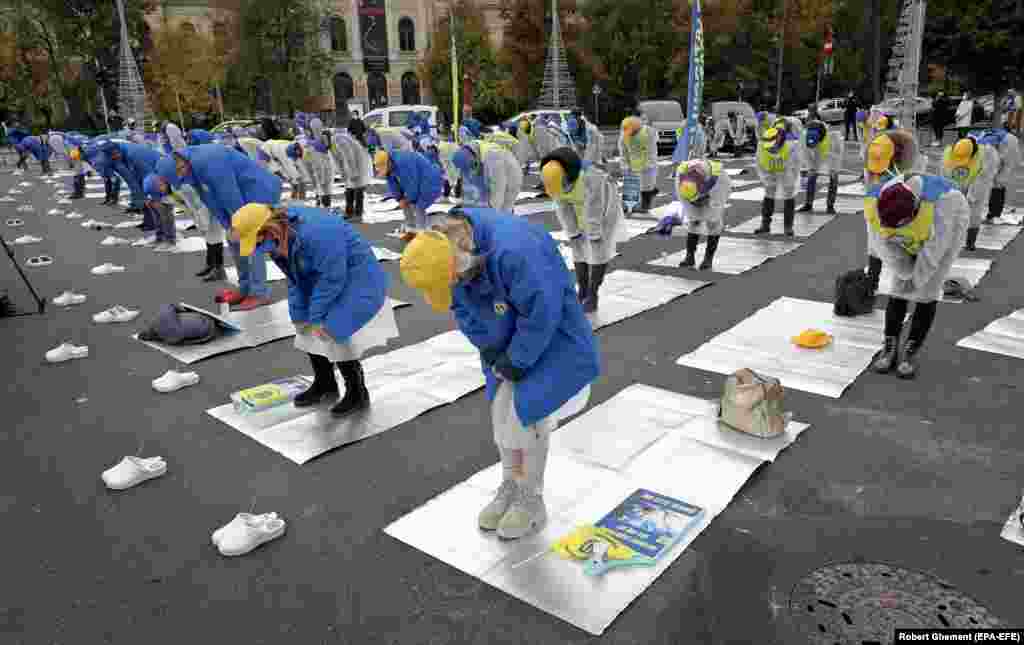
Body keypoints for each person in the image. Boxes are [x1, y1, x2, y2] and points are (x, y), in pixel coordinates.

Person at [400, 208, 600, 539]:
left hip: (550, 334)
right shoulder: (445, 255)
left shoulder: (515, 251)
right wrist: (490, 349)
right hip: (504, 332)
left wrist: (518, 359)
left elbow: (541, 312)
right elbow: (462, 309)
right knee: (501, 415)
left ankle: (531, 499)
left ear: (460, 261)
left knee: (529, 414)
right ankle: (510, 485)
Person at [232, 203, 398, 417]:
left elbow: (332, 277)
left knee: (333, 329)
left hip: (354, 275)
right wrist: (300, 314)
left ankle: (357, 392)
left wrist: (318, 315)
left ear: (268, 230)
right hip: (319, 276)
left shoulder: (317, 233)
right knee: (305, 328)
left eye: (257, 241)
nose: (258, 248)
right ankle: (325, 383)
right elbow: (295, 278)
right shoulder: (277, 237)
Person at [869, 175, 968, 379]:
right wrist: (905, 273)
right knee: (898, 289)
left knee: (927, 291)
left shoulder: (945, 203)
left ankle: (910, 351)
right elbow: (883, 245)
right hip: (905, 233)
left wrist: (916, 280)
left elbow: (934, 252)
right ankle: (890, 345)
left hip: (948, 229)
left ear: (914, 209)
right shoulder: (878, 203)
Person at [164, 144, 283, 310]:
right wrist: (228, 226)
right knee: (233, 239)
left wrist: (240, 226)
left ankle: (259, 293)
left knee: (252, 240)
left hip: (259, 190)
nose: (181, 174)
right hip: (243, 194)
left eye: (180, 170)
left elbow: (230, 195)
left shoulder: (209, 161)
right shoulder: (191, 167)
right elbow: (211, 200)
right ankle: (245, 287)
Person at [540, 147, 624, 312]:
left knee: (598, 250)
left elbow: (595, 208)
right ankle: (582, 291)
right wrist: (573, 232)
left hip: (604, 211)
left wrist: (594, 233)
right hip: (578, 208)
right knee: (578, 249)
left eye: (563, 184)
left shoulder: (593, 178)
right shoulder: (553, 177)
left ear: (568, 176)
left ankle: (593, 294)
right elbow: (562, 206)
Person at [864, 129, 921, 298]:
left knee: (893, 247)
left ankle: (903, 282)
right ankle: (875, 281)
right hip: (879, 212)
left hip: (894, 213)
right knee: (879, 247)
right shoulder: (877, 165)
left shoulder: (902, 171)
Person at [149, 159, 224, 279]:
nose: (160, 186)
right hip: (201, 212)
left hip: (209, 211)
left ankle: (219, 270)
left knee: (215, 239)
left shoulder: (184, 187)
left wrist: (202, 224)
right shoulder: (175, 188)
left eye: (161, 183)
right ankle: (211, 265)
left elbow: (199, 205)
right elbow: (182, 203)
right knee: (210, 240)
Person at [940, 136, 999, 251]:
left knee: (974, 213)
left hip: (976, 186)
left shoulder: (987, 154)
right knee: (951, 214)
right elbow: (944, 175)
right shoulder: (948, 153)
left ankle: (970, 242)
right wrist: (949, 193)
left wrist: (972, 195)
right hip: (955, 186)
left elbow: (984, 177)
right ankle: (950, 241)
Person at [673, 158, 731, 270]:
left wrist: (708, 205)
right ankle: (690, 257)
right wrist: (692, 209)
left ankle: (708, 258)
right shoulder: (681, 177)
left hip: (716, 192)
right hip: (694, 191)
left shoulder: (720, 182)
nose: (696, 203)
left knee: (713, 223)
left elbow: (715, 209)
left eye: (697, 200)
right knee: (693, 221)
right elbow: (685, 200)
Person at [373, 148, 443, 233]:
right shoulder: (390, 165)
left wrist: (407, 199)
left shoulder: (404, 162)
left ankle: (422, 233)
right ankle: (411, 228)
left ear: (389, 162)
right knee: (406, 204)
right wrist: (399, 198)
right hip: (418, 182)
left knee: (418, 207)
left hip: (430, 181)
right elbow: (392, 183)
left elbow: (412, 184)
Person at [101, 140, 161, 227]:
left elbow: (147, 176)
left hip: (157, 166)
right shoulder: (120, 154)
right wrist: (136, 202)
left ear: (118, 149)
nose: (115, 157)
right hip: (145, 169)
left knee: (149, 192)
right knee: (143, 192)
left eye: (115, 154)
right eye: (112, 156)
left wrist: (141, 198)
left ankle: (154, 223)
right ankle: (149, 221)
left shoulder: (132, 154)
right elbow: (132, 181)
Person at [451, 141, 523, 212]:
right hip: (495, 178)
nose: (472, 169)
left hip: (510, 182)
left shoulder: (493, 157)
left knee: (503, 211)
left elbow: (498, 188)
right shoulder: (470, 151)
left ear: (472, 158)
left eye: (472, 165)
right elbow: (468, 181)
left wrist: (491, 212)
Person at [754, 126, 800, 235]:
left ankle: (788, 227)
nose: (771, 149)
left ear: (779, 140)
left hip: (786, 170)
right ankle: (765, 225)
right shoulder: (761, 145)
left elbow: (796, 164)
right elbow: (759, 164)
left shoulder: (791, 146)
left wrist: (792, 180)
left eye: (772, 146)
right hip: (769, 170)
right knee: (769, 194)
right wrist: (766, 180)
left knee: (789, 195)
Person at [977, 128, 1022, 223]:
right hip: (1010, 140)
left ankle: (993, 214)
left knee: (998, 183)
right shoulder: (981, 139)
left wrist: (992, 172)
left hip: (1006, 143)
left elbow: (995, 160)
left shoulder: (981, 143)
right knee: (999, 182)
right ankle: (995, 213)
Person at [800, 120, 844, 214]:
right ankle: (808, 204)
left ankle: (830, 205)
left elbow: (837, 156)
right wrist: (810, 167)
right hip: (815, 156)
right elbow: (805, 153)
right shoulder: (804, 137)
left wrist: (833, 169)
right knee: (811, 177)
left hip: (830, 156)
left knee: (833, 178)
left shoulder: (833, 138)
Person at [619, 116, 659, 213]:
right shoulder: (624, 136)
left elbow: (652, 150)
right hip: (632, 165)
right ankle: (628, 206)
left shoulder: (648, 133)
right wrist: (625, 165)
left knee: (646, 187)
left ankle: (646, 204)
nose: (630, 134)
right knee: (631, 187)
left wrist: (649, 164)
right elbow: (623, 152)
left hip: (647, 166)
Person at [331, 127, 371, 222]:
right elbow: (338, 159)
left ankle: (358, 214)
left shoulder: (339, 140)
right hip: (350, 164)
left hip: (358, 162)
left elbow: (349, 156)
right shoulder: (331, 144)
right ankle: (349, 212)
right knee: (349, 187)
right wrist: (343, 173)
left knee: (358, 187)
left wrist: (353, 172)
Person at [287, 139, 333, 208]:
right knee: (318, 188)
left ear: (297, 151)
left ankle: (327, 208)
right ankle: (320, 204)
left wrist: (322, 180)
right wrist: (314, 182)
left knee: (324, 188)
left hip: (326, 166)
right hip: (317, 168)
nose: (297, 158)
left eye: (296, 156)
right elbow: (309, 169)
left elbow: (321, 166)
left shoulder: (311, 150)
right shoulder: (302, 153)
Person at [142, 173, 179, 252]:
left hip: (166, 191)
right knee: (158, 216)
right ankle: (160, 238)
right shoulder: (149, 181)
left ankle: (170, 240)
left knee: (167, 217)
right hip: (154, 188)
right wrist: (148, 199)